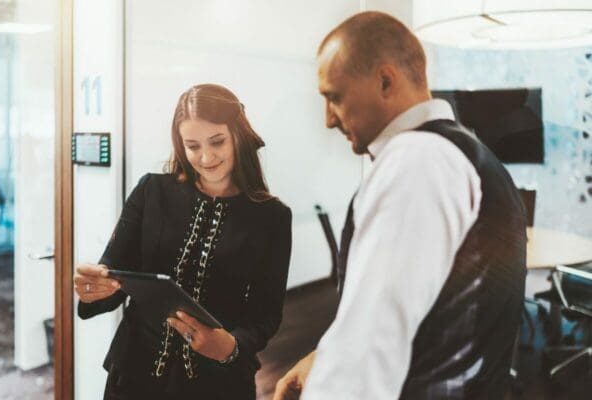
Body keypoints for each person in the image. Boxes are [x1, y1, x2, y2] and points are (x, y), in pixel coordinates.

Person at [274, 11, 526, 400]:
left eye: (334, 97)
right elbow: (424, 309)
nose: (328, 120)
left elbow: (371, 345)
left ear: (385, 80)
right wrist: (325, 355)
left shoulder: (417, 160)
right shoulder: (467, 153)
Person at [74, 83, 292, 399]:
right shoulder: (151, 191)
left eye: (217, 141)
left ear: (238, 137)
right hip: (134, 374)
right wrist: (93, 289)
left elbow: (265, 315)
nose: (205, 157)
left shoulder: (271, 216)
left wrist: (230, 346)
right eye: (192, 146)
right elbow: (114, 273)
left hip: (218, 380)